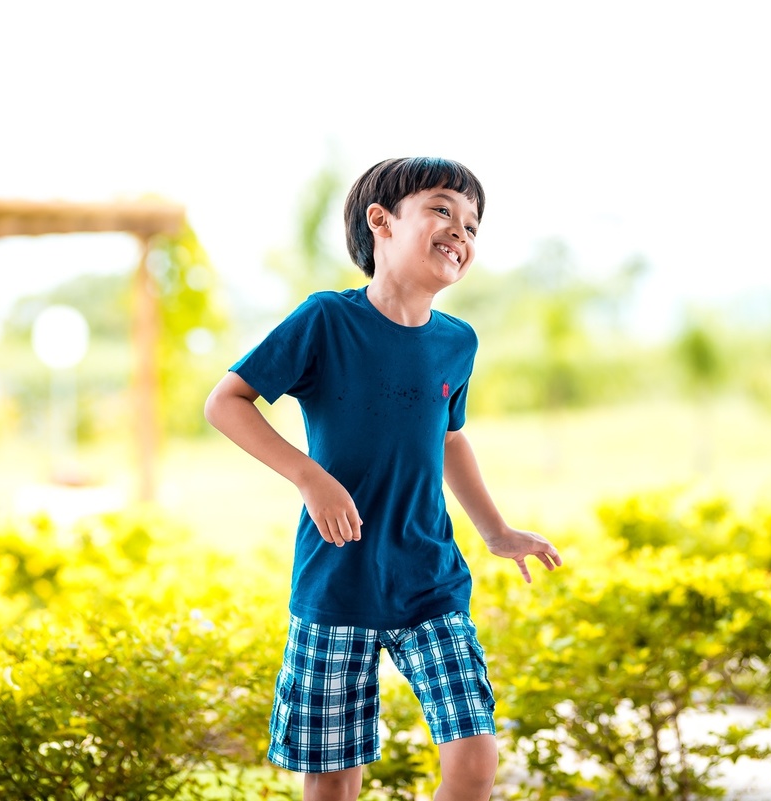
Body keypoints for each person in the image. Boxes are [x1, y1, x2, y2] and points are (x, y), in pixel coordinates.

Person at [204, 156, 562, 801]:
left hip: (430, 579)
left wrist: (498, 531)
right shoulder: (325, 321)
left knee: (476, 755)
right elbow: (226, 402)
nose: (461, 231)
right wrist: (310, 478)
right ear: (382, 223)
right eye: (443, 209)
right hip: (337, 580)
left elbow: (449, 439)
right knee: (335, 773)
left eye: (473, 225)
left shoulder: (458, 341)